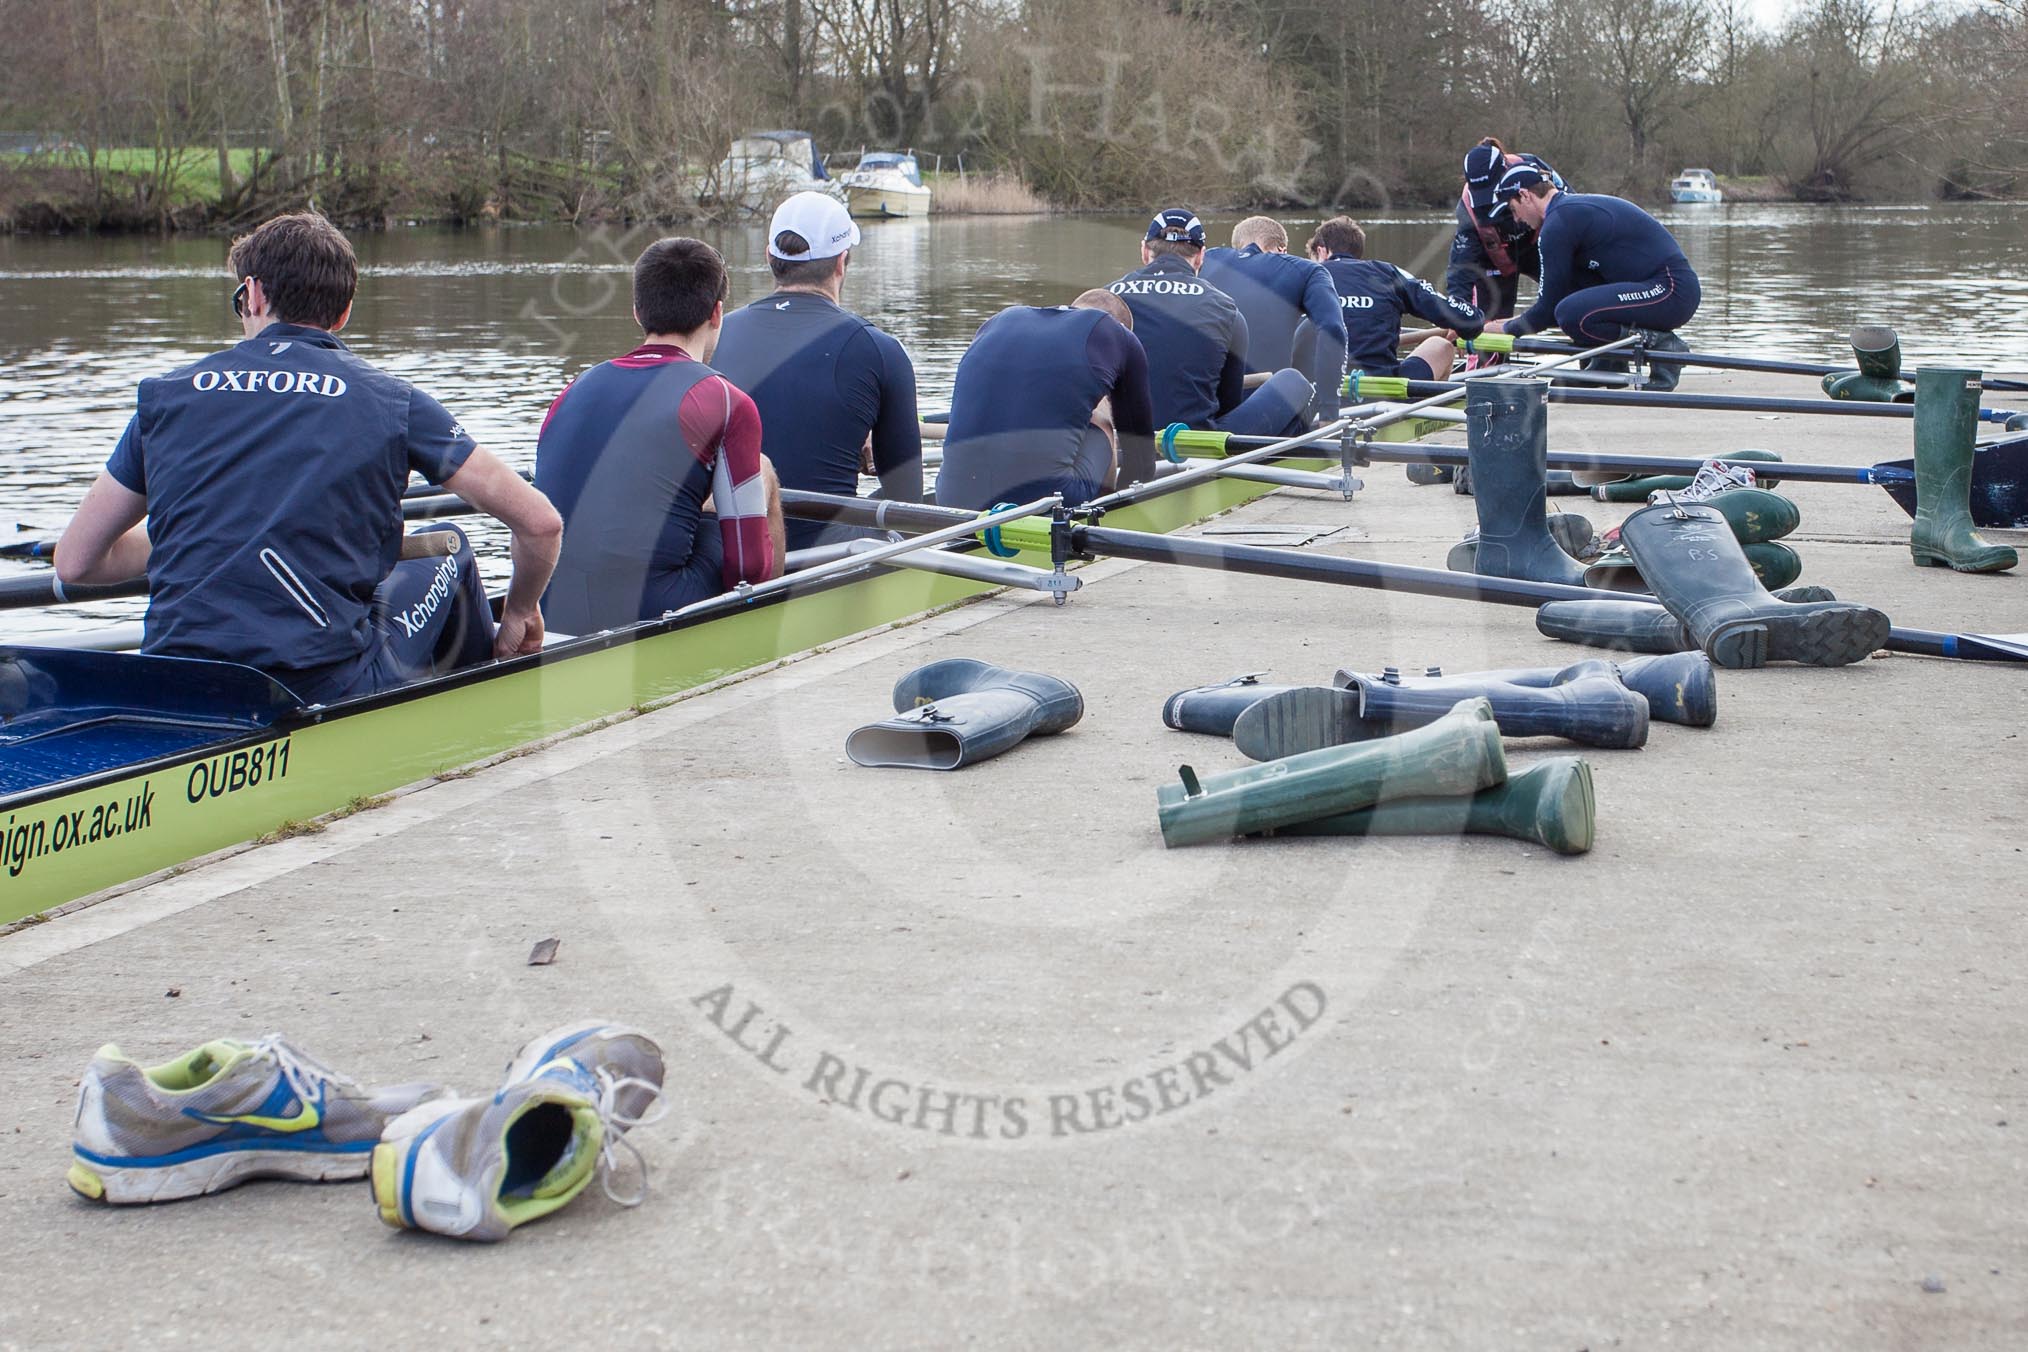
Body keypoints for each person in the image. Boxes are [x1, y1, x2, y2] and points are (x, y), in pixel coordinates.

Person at [54, 212, 561, 704]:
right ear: (343, 314)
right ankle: (478, 716)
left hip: (177, 679)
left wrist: (201, 537)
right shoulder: (392, 402)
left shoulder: (165, 395)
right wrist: (519, 610)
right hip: (315, 687)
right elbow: (540, 523)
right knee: (449, 550)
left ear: (251, 295)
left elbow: (75, 562)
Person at [534, 237, 785, 636]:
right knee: (761, 470)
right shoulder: (726, 399)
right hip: (655, 609)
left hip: (551, 608)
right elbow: (747, 568)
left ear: (637, 312)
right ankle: (763, 636)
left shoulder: (572, 389)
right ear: (717, 313)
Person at [712, 191, 923, 552]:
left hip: (728, 551)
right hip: (824, 556)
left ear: (769, 258)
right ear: (842, 262)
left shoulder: (714, 336)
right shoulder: (880, 349)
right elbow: (907, 498)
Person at [1483, 164, 1699, 391]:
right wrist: (1510, 323)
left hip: (1672, 290)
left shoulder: (1558, 224)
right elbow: (1556, 298)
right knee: (1571, 297)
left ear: (1524, 195)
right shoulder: (1566, 214)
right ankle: (1607, 365)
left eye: (1512, 209)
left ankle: (1664, 345)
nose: (1516, 220)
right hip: (1656, 287)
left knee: (1571, 313)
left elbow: (1548, 310)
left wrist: (1507, 329)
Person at [935, 290, 1155, 510]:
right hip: (1048, 499)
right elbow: (1141, 462)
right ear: (1122, 326)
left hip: (950, 497)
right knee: (1101, 418)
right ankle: (1104, 510)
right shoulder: (1119, 336)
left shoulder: (999, 320)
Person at [1106, 208, 1314, 437]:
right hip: (1194, 447)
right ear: (1200, 256)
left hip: (1114, 444)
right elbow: (1229, 405)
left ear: (1145, 251)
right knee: (1294, 382)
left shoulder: (1105, 298)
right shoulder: (1226, 310)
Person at [1304, 217, 1485, 386]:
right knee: (1441, 346)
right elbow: (1470, 320)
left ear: (1322, 251)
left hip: (1314, 392)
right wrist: (1466, 325)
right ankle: (1418, 414)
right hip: (1381, 391)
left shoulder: (1303, 277)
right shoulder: (1387, 274)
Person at [1199, 216, 1346, 419]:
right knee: (1309, 330)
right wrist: (1329, 412)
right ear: (1282, 249)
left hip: (1198, 409)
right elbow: (1333, 330)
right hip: (1264, 416)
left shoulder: (1203, 261)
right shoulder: (1306, 269)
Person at [1445, 137, 1566, 322]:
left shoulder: (1533, 168)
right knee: (1487, 328)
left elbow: (1570, 210)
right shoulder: (1467, 211)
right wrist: (1457, 315)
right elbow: (1461, 268)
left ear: (1506, 172)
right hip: (1495, 261)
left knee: (1572, 296)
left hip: (1539, 246)